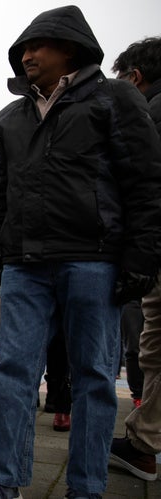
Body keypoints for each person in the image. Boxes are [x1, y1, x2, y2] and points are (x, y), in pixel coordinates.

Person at [0, 8, 161, 499]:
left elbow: (145, 183)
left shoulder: (115, 98)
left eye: (37, 46)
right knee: (13, 372)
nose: (27, 56)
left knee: (96, 378)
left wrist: (141, 257)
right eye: (21, 51)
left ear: (71, 49)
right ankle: (4, 479)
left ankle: (86, 487)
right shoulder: (9, 117)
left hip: (94, 262)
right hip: (22, 266)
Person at [108, 35, 161, 482]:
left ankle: (144, 444)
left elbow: (140, 187)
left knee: (154, 348)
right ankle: (143, 443)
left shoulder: (146, 115)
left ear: (135, 79)